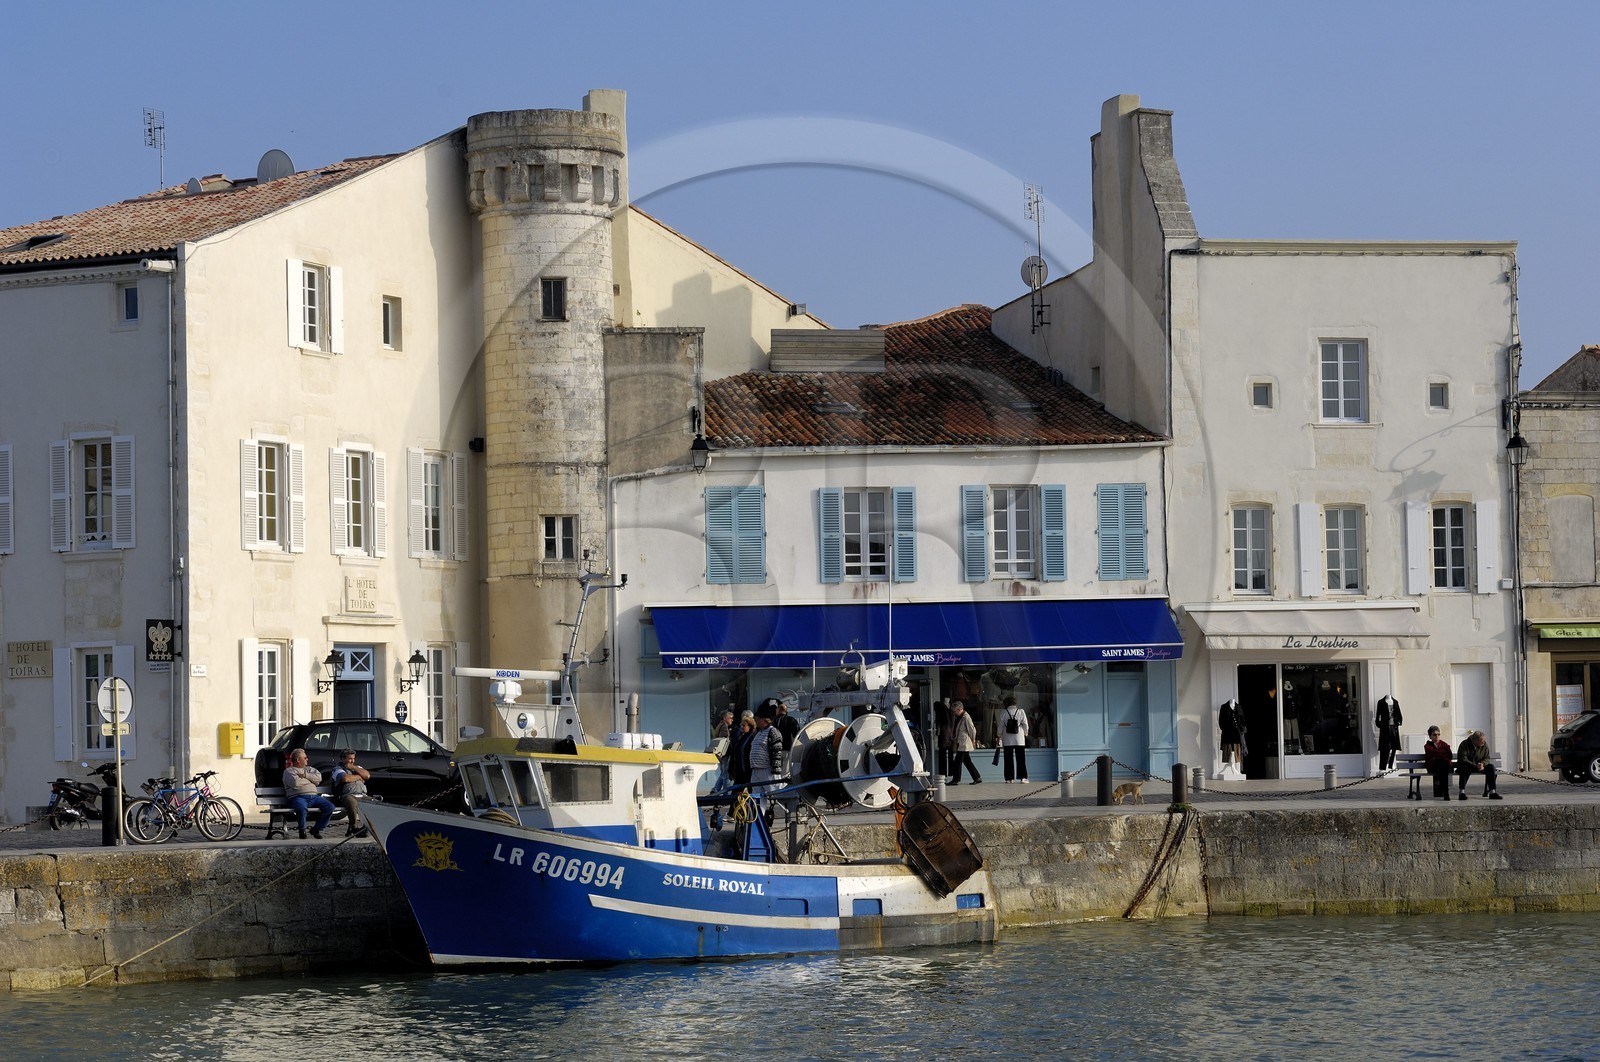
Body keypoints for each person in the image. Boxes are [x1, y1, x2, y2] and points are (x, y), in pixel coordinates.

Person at [282, 748, 335, 839]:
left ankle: (317, 829)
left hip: (314, 797)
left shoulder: (310, 769)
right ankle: (302, 830)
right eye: (305, 758)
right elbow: (295, 783)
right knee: (301, 807)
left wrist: (305, 776)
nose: (307, 759)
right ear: (298, 760)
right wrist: (311, 781)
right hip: (297, 797)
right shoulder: (289, 771)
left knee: (330, 807)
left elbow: (319, 778)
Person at [331, 748, 371, 837]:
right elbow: (345, 778)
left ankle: (367, 827)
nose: (352, 761)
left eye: (353, 758)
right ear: (343, 758)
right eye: (350, 759)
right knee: (352, 803)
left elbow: (367, 776)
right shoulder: (337, 769)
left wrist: (353, 767)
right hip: (347, 795)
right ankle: (353, 827)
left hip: (362, 795)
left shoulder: (357, 767)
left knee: (374, 803)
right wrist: (359, 777)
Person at [1455, 730, 1502, 800]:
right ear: (1475, 740)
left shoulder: (1484, 745)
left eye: (1483, 741)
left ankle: (1492, 792)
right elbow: (1463, 759)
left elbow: (1487, 757)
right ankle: (1462, 792)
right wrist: (1475, 765)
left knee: (1491, 767)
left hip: (1480, 766)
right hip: (1468, 765)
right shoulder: (1464, 744)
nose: (1483, 742)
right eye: (1481, 741)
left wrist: (1482, 764)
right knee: (1464, 768)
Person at [946, 700, 981, 785]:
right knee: (967, 761)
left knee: (957, 762)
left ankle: (955, 780)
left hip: (964, 743)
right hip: (961, 743)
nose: (954, 713)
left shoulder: (966, 717)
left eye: (955, 711)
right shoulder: (960, 717)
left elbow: (972, 729)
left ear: (959, 709)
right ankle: (977, 777)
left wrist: (973, 739)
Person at [999, 694, 1030, 783]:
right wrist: (1026, 733)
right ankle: (1023, 777)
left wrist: (999, 734)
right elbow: (1025, 724)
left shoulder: (1003, 712)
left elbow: (1000, 726)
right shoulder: (1021, 711)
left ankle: (1009, 778)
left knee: (1008, 759)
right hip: (1019, 738)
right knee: (1021, 759)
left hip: (1007, 738)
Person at [1423, 725, 1453, 800]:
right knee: (1441, 764)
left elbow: (1450, 755)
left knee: (1443, 765)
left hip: (1445, 766)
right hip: (1434, 767)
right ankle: (1445, 791)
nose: (1437, 736)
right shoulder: (1427, 746)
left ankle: (1445, 791)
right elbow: (1431, 754)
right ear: (1430, 736)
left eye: (1438, 734)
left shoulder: (1444, 744)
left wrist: (1438, 755)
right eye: (1434, 735)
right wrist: (1442, 754)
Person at [1375, 695, 1403, 771]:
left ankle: (1391, 763)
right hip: (1385, 728)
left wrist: (1399, 721)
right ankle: (1382, 767)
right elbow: (1378, 715)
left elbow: (1399, 713)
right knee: (1385, 747)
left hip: (1394, 727)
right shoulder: (1381, 702)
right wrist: (1379, 724)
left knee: (1394, 746)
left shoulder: (1395, 702)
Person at [1219, 699, 1247, 772]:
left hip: (1237, 733)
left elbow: (1242, 719)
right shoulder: (1224, 707)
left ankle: (1234, 765)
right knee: (1228, 748)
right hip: (1227, 733)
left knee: (1236, 749)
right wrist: (1224, 728)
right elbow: (1221, 720)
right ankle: (1229, 763)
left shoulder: (1239, 707)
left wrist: (1242, 728)